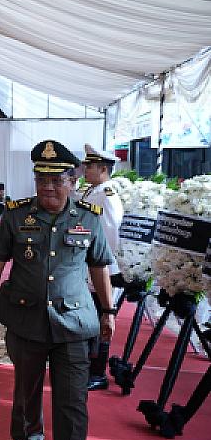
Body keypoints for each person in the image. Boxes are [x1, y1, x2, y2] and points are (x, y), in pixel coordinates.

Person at [0, 140, 115, 440]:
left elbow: (99, 266)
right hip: (26, 320)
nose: (47, 186)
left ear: (72, 180)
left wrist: (108, 310)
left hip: (73, 324)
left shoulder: (89, 217)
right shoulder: (17, 216)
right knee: (27, 388)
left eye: (56, 180)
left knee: (72, 406)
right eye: (41, 179)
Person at [77, 144, 124, 391]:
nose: (85, 169)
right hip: (88, 269)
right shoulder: (93, 191)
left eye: (90, 166)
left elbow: (108, 237)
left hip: (101, 269)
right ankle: (87, 367)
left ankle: (98, 372)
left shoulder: (106, 195)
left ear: (103, 169)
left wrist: (98, 266)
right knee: (90, 321)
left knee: (103, 319)